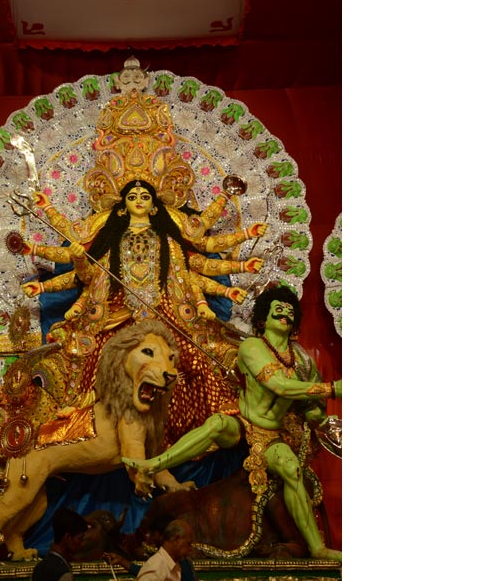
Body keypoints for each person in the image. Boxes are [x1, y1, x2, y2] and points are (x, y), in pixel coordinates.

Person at [20, 177, 265, 447]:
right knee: (93, 358)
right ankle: (85, 419)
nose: (139, 201)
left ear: (154, 206)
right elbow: (85, 276)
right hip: (117, 311)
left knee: (191, 359)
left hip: (165, 310)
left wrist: (243, 248)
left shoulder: (168, 240)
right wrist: (47, 275)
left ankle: (187, 428)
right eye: (133, 197)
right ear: (123, 206)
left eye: (145, 197)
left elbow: (199, 264)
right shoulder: (112, 238)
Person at [122, 285, 342, 561]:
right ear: (263, 319)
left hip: (273, 436)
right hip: (245, 424)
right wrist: (331, 389)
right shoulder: (253, 347)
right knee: (217, 424)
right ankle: (154, 464)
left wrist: (322, 419)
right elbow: (278, 385)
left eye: (289, 312)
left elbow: (311, 407)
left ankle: (317, 548)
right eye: (278, 310)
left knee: (291, 469)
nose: (284, 315)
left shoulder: (302, 360)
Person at [103, 513, 196, 581]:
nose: (190, 549)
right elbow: (154, 571)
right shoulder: (156, 568)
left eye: (152, 534)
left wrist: (121, 560)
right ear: (176, 539)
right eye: (188, 544)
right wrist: (121, 560)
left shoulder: (176, 564)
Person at [31, 508, 90, 581]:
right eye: (80, 539)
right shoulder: (63, 574)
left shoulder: (38, 569)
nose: (81, 544)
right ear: (68, 538)